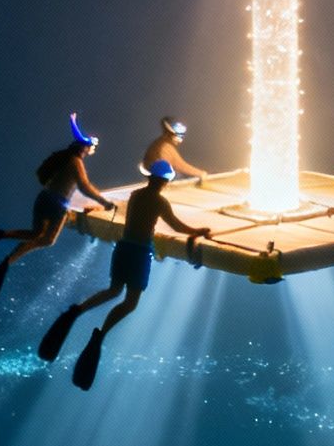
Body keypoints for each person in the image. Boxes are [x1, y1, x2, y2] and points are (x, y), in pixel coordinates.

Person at [39, 159, 211, 390]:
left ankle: (76, 311)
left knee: (113, 290)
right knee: (130, 303)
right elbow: (176, 226)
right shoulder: (159, 201)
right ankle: (100, 335)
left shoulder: (136, 195)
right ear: (165, 182)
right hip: (139, 252)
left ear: (150, 177)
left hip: (123, 248)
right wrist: (198, 231)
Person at [0, 114, 115, 310]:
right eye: (90, 148)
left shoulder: (66, 158)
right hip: (57, 206)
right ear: (84, 148)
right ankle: (8, 258)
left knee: (36, 234)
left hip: (44, 199)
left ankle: (3, 240)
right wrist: (105, 202)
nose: (90, 151)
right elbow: (84, 187)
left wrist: (73, 122)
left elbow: (78, 136)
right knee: (47, 239)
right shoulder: (75, 162)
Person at [140, 117, 207, 181]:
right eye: (179, 135)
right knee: (178, 175)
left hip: (152, 175)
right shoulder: (165, 147)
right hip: (159, 178)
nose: (180, 139)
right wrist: (200, 173)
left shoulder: (160, 143)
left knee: (177, 174)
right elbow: (180, 165)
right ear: (171, 133)